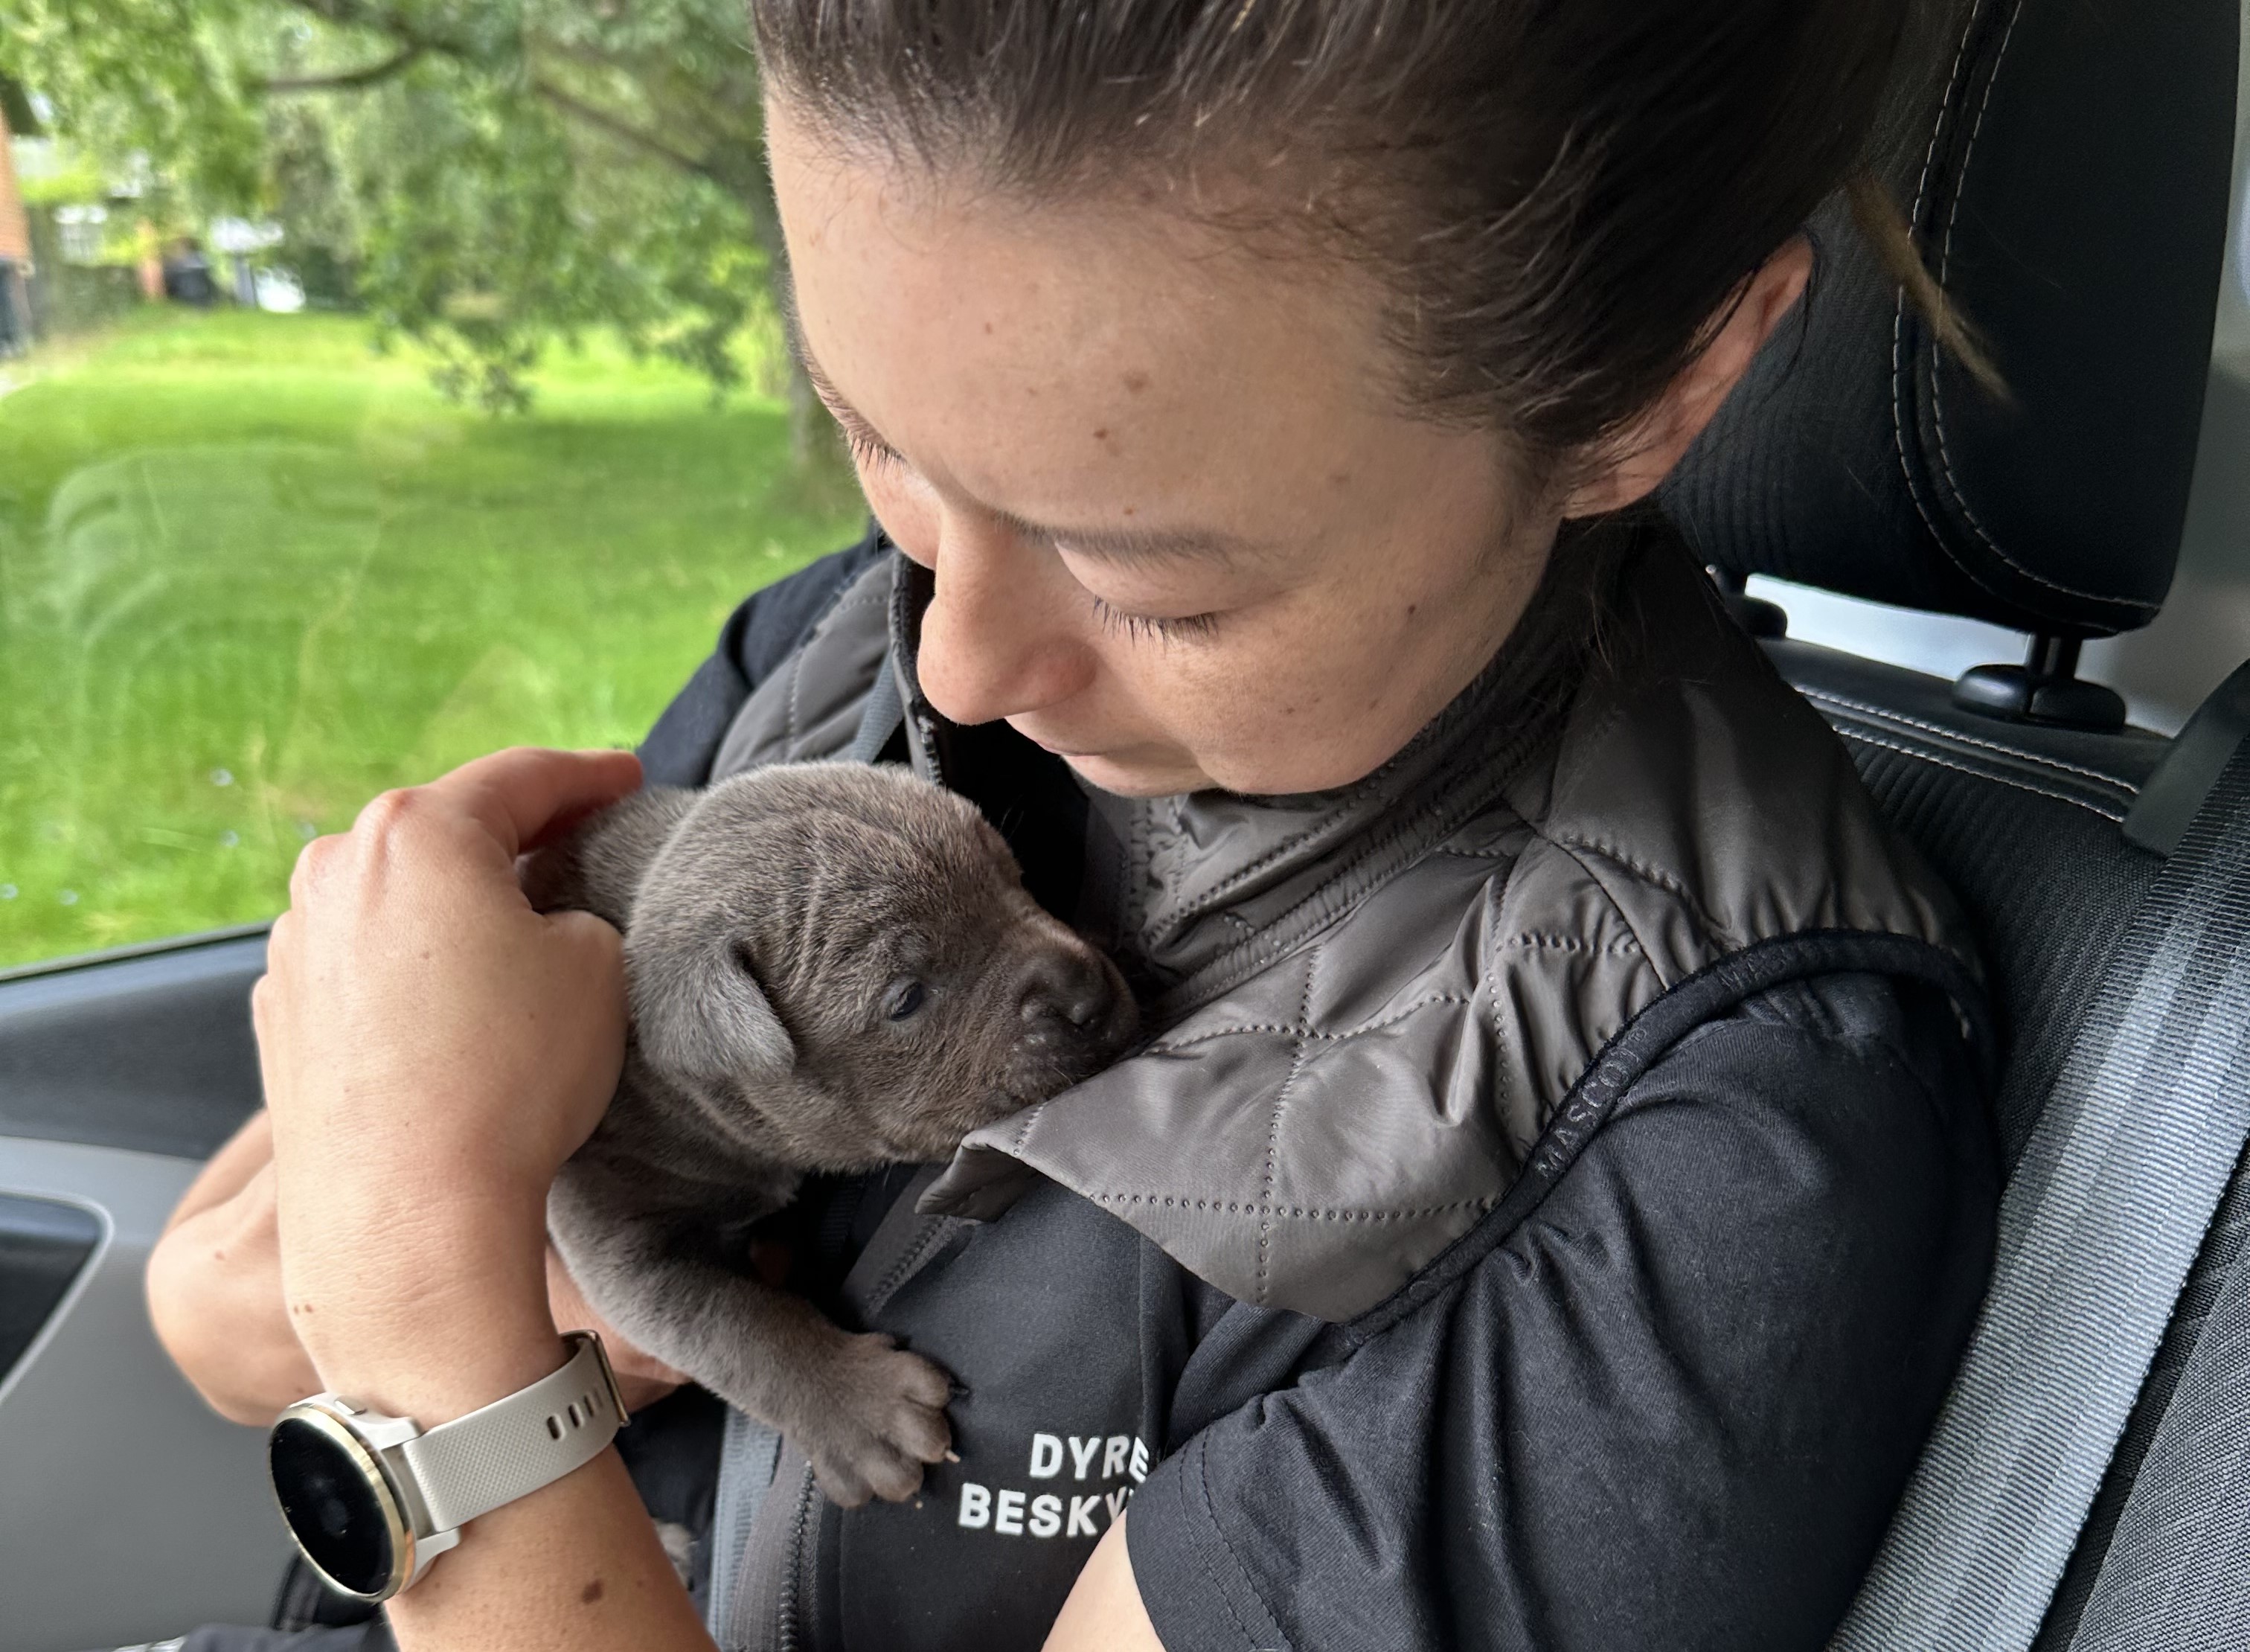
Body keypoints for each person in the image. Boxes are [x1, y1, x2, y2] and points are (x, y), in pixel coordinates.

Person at [142, 2, 2001, 1649]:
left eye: (1151, 583)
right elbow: (215, 1319)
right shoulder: (835, 660)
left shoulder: (1712, 1153)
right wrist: (443, 1256)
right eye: (880, 444)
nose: (952, 664)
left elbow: (371, 1261)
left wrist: (432, 1322)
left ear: (1656, 392)